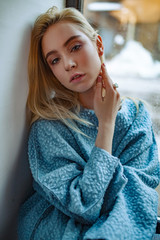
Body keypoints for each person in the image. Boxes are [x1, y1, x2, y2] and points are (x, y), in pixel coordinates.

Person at [18, 6, 160, 240]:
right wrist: (106, 124)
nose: (68, 64)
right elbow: (84, 205)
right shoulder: (47, 128)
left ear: (99, 45)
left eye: (75, 47)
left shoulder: (137, 116)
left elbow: (139, 199)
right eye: (55, 60)